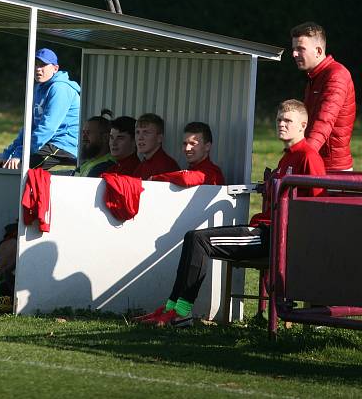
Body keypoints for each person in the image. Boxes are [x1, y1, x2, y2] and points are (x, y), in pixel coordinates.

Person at [138, 100, 324, 327]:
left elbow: (317, 204)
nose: (281, 125)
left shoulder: (308, 156)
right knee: (192, 237)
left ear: (303, 125)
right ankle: (170, 308)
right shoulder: (287, 157)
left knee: (199, 240)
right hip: (265, 230)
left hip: (274, 236)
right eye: (279, 120)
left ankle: (182, 312)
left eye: (288, 121)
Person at [0, 48, 81, 171]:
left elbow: (48, 128)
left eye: (43, 65)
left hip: (63, 143)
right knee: (3, 165)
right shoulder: (39, 88)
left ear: (55, 68)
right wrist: (9, 152)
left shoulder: (60, 89)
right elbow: (30, 127)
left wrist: (20, 154)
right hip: (45, 142)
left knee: (18, 168)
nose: (37, 68)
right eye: (35, 64)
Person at [291, 22, 356, 171]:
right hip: (317, 163)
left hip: (332, 170)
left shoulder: (336, 75)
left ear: (318, 51)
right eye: (294, 49)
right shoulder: (315, 77)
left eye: (300, 49)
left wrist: (304, 156)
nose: (294, 54)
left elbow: (324, 121)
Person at [150, 122, 225, 186]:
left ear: (207, 146)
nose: (187, 148)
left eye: (193, 143)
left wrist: (154, 179)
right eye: (185, 143)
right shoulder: (190, 170)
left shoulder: (213, 172)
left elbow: (185, 179)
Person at [133, 113, 179, 179]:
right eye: (137, 132)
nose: (140, 137)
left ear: (159, 138)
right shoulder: (141, 166)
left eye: (146, 132)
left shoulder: (166, 166)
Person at [73, 110, 114, 177]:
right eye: (83, 132)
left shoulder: (108, 165)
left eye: (88, 132)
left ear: (105, 137)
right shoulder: (87, 163)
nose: (83, 137)